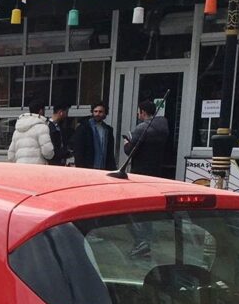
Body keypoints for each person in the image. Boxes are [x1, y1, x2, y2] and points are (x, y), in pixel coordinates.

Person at [123, 99, 171, 258]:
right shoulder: (163, 128)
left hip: (139, 174)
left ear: (143, 112)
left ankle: (141, 242)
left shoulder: (142, 128)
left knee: (131, 210)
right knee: (148, 210)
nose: (138, 114)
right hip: (154, 174)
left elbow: (130, 150)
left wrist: (126, 143)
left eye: (139, 111)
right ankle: (146, 242)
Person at [7, 99, 55, 165]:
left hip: (21, 167)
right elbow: (48, 152)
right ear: (41, 111)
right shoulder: (42, 127)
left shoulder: (17, 130)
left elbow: (11, 156)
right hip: (36, 168)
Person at [72, 101, 116, 171]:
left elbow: (110, 153)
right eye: (95, 111)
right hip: (87, 168)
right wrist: (80, 167)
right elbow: (78, 149)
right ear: (92, 112)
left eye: (100, 112)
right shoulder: (84, 128)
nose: (97, 114)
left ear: (105, 113)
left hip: (103, 168)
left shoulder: (108, 130)